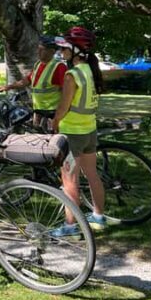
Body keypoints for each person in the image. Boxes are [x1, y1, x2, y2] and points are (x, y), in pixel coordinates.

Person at [50, 26, 106, 236]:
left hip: (72, 133)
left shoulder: (71, 75)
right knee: (92, 174)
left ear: (76, 50)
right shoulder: (89, 70)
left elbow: (63, 107)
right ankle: (98, 217)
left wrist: (55, 121)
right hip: (89, 129)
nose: (61, 51)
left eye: (65, 48)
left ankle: (70, 226)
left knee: (69, 181)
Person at [0, 35, 67, 130]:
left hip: (52, 114)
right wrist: (9, 87)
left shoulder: (59, 67)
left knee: (51, 142)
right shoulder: (38, 64)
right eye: (38, 49)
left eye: (41, 49)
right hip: (38, 111)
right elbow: (27, 80)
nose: (38, 52)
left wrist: (59, 115)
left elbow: (66, 92)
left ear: (51, 51)